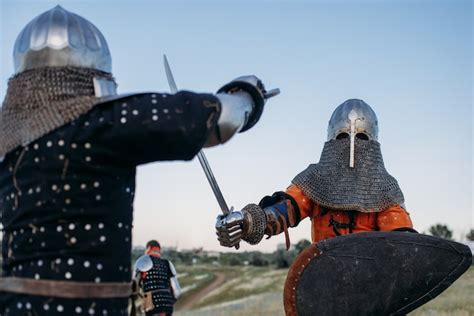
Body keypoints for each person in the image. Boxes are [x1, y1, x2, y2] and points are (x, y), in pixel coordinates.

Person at [0, 5, 276, 315]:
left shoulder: (5, 143)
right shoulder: (101, 123)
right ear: (92, 76)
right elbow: (217, 117)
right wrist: (248, 94)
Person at [216, 99, 416, 250]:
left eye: (361, 137)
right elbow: (286, 209)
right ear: (332, 140)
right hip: (323, 279)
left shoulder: (384, 189)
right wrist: (249, 221)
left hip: (370, 283)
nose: (351, 145)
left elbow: (401, 241)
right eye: (343, 137)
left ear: (372, 142)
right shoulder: (316, 180)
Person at [134, 240, 180, 316]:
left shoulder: (142, 261)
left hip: (150, 305)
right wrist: (167, 300)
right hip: (167, 305)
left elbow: (134, 288)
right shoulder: (168, 263)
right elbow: (177, 292)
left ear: (148, 248)